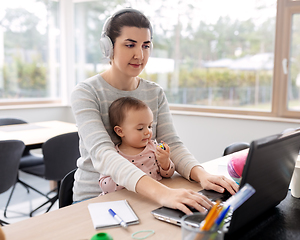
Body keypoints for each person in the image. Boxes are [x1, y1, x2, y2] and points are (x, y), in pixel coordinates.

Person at [70, 8, 238, 215]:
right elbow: (104, 154)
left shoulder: (154, 92)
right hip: (96, 198)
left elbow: (171, 143)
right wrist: (163, 193)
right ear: (108, 48)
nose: (139, 55)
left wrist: (200, 174)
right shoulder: (86, 93)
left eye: (146, 46)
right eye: (130, 45)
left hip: (144, 192)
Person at [99, 97, 175, 195]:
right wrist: (129, 175)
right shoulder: (114, 156)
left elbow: (168, 175)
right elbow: (105, 186)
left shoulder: (154, 147)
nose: (148, 131)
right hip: (124, 201)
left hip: (152, 197)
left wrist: (165, 162)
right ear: (120, 131)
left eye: (150, 126)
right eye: (140, 128)